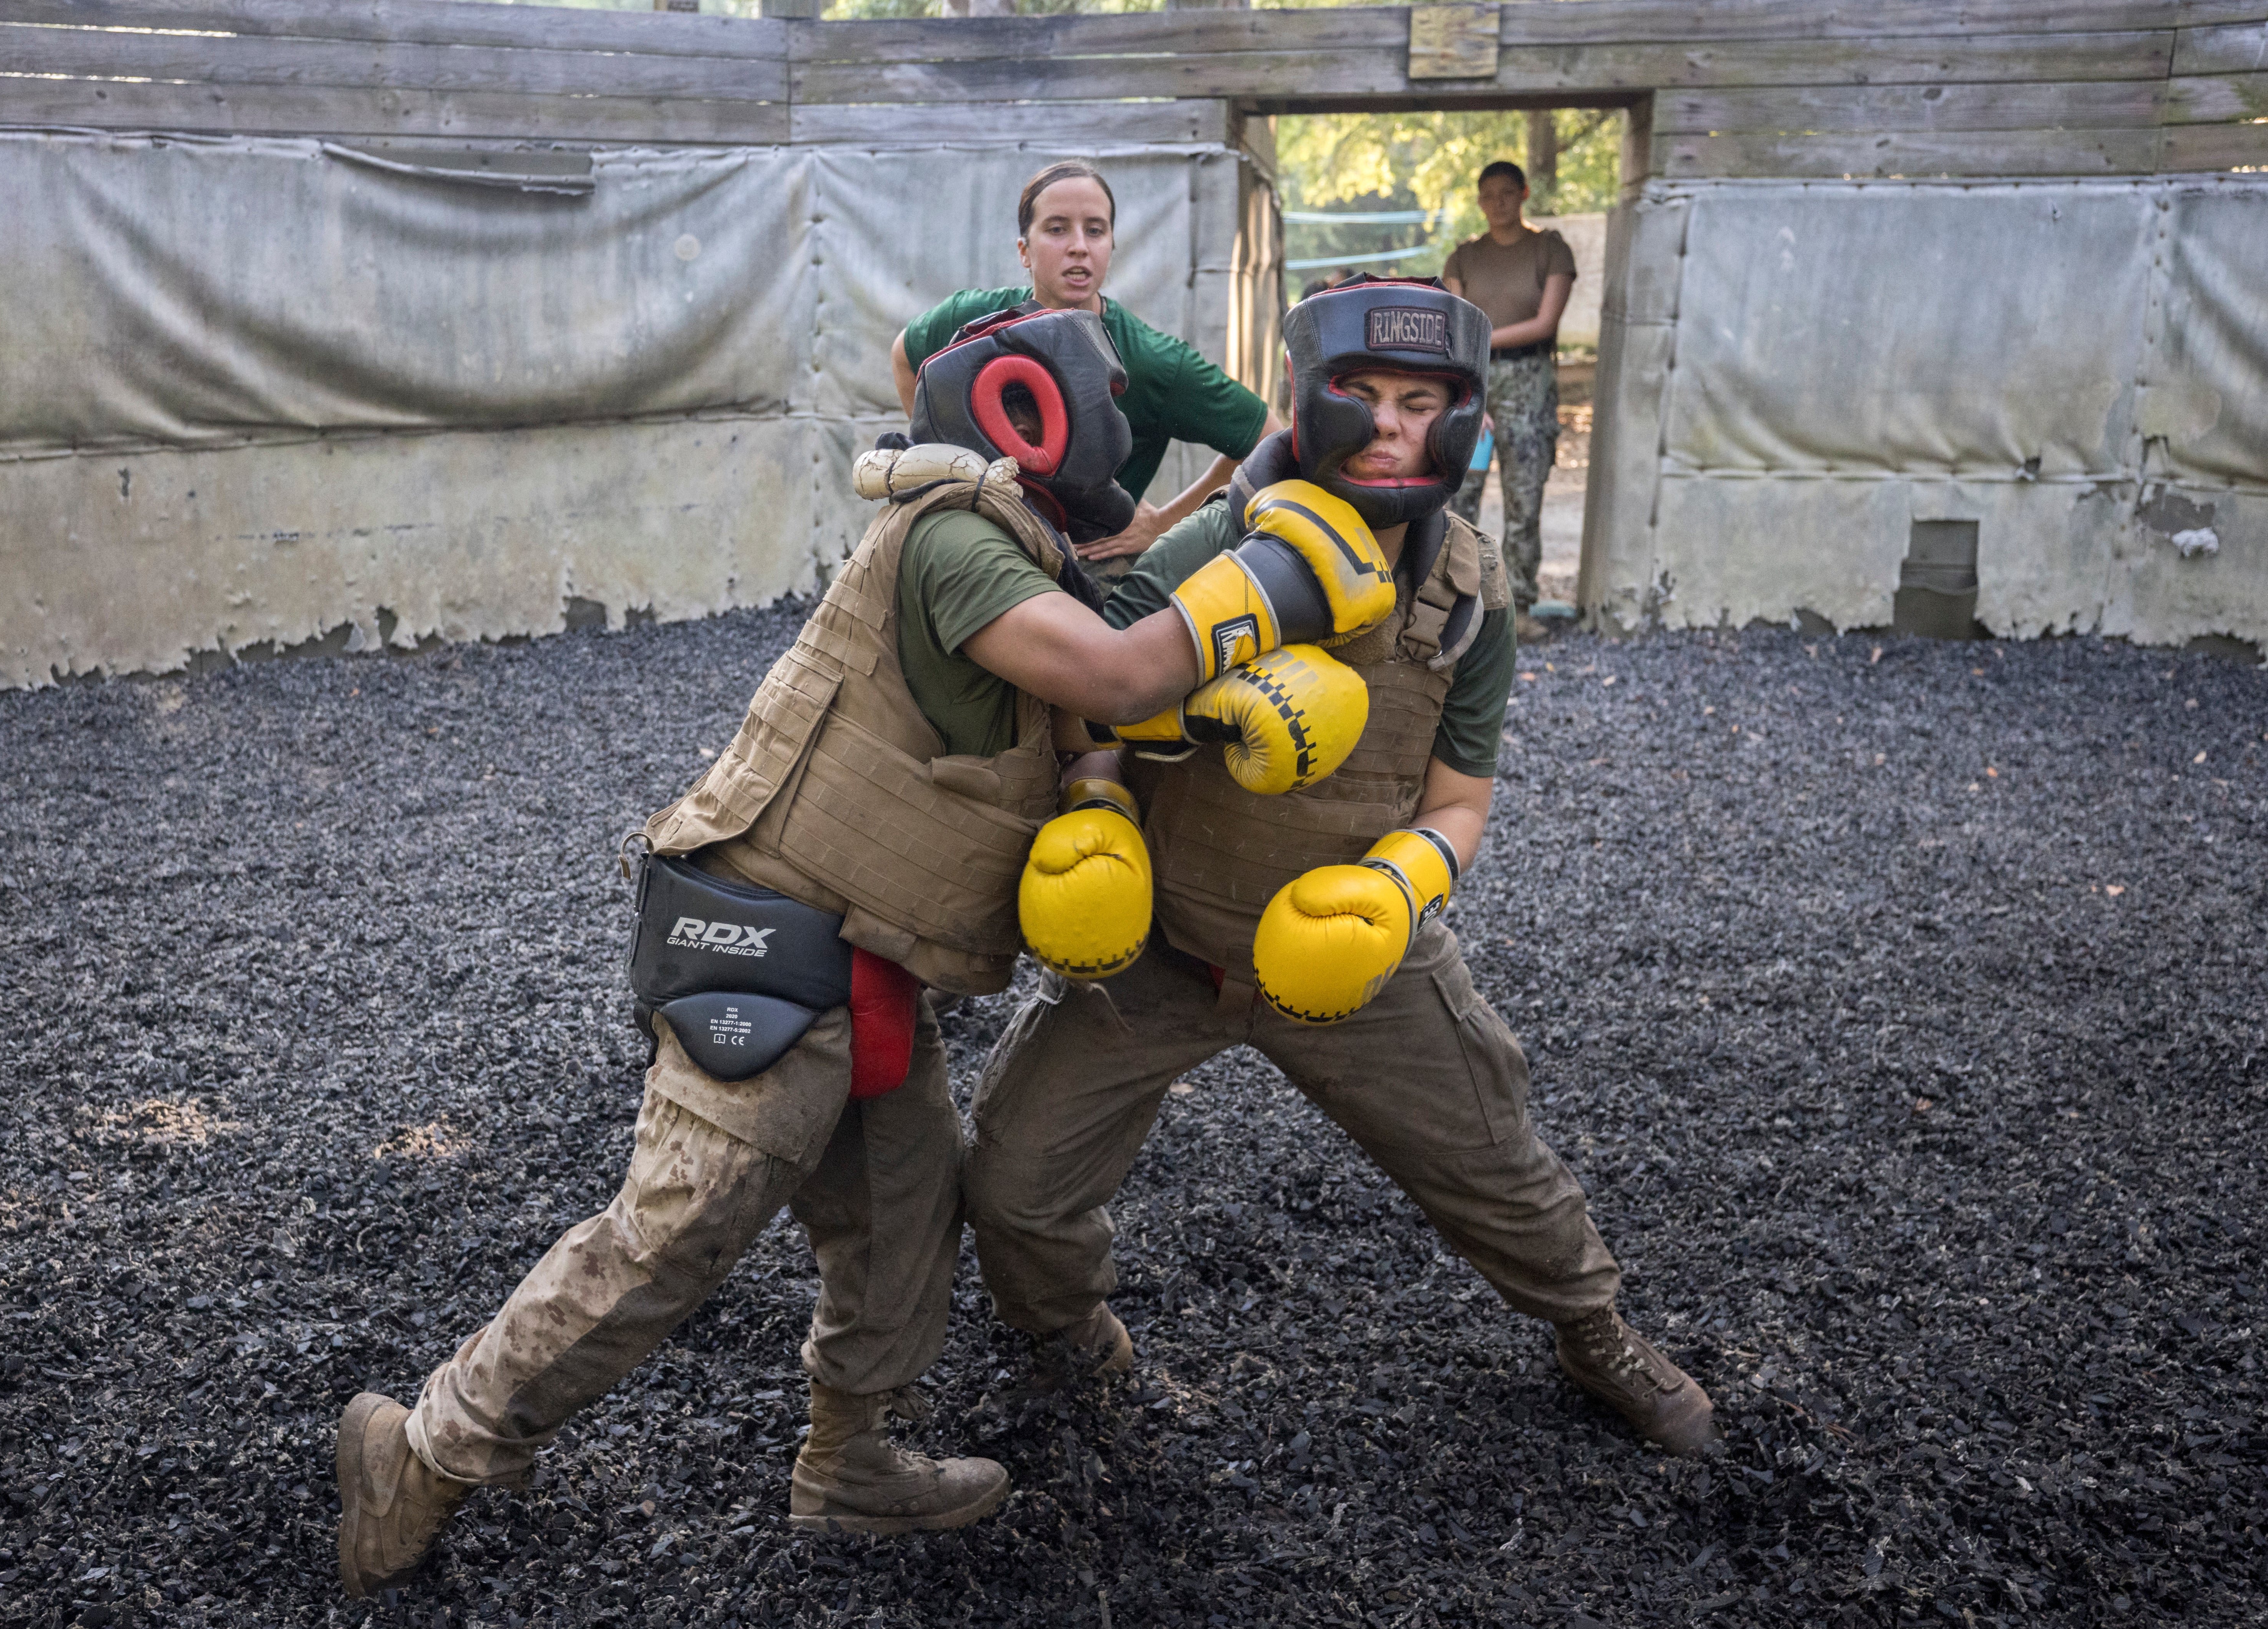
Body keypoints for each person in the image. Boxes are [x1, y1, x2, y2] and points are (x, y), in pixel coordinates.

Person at [333, 306, 1398, 1598]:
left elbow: (1123, 617)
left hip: (880, 956)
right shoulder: (950, 540)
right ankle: (429, 1453)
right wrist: (1274, 580)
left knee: (904, 1205)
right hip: (770, 939)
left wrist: (1275, 473)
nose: (1130, 418)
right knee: (679, 1230)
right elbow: (1117, 668)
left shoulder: (1026, 552)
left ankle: (848, 1461)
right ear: (1026, 405)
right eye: (1110, 391)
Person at [963, 277, 1719, 1458]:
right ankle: (1069, 1338)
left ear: (1461, 415)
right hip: (1165, 947)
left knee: (1501, 1168)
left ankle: (1591, 1326)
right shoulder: (1221, 541)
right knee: (1011, 1182)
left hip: (1358, 957)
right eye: (1359, 395)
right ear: (1307, 401)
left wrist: (1400, 886)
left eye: (1420, 401)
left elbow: (1460, 799)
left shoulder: (1467, 593)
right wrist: (1098, 812)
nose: (1387, 426)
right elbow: (1094, 707)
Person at [891, 159, 1285, 570]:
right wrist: (944, 458)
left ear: (1110, 248)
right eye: (1057, 228)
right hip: (971, 541)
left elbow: (1268, 438)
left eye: (1095, 230)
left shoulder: (1150, 362)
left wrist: (1163, 523)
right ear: (1024, 250)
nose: (1079, 245)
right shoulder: (969, 321)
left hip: (1079, 570)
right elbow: (904, 357)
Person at [1444, 160, 1576, 643]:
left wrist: (1483, 339)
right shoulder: (1463, 257)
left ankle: (1517, 607)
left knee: (1525, 497)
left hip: (1529, 383)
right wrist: (1471, 380)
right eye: (1487, 195)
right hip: (1472, 381)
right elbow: (1456, 326)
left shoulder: (1549, 247)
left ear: (1522, 194)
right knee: (1460, 497)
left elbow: (1545, 323)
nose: (1496, 202)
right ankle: (1455, 606)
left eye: (1505, 192)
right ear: (1479, 201)